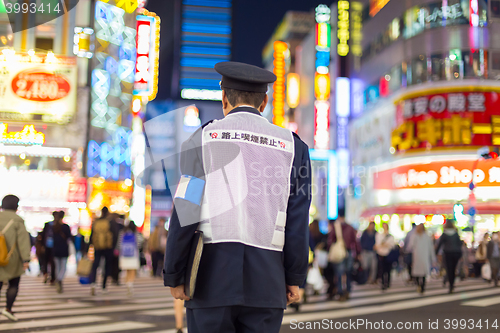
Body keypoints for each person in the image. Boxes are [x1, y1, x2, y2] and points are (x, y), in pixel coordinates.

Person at [163, 61, 311, 333]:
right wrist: (294, 277)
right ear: (264, 102)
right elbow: (298, 220)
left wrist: (174, 272)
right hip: (268, 280)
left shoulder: (203, 138)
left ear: (224, 98)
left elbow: (185, 209)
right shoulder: (294, 147)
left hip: (210, 279)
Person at [0, 195, 31, 321]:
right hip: (11, 258)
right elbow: (23, 241)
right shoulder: (17, 220)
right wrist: (26, 259)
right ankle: (8, 309)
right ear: (15, 206)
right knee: (13, 283)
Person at [328, 216, 360, 301]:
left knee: (339, 273)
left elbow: (330, 240)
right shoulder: (350, 227)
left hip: (340, 252)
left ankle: (341, 291)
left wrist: (330, 250)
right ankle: (348, 290)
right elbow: (355, 241)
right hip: (348, 251)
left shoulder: (335, 227)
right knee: (348, 272)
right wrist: (358, 252)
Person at [89, 207, 117, 295]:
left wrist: (89, 247)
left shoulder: (96, 221)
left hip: (97, 247)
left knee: (95, 265)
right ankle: (104, 286)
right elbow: (115, 235)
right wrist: (113, 247)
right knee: (107, 266)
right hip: (108, 247)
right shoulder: (111, 222)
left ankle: (93, 283)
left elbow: (91, 234)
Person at [117, 221, 144, 295]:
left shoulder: (123, 233)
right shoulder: (136, 233)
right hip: (133, 255)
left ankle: (127, 283)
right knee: (132, 271)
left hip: (124, 255)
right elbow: (139, 244)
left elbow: (119, 244)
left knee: (127, 270)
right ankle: (130, 284)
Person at [435, 221, 462, 293]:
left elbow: (440, 244)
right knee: (453, 269)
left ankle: (451, 284)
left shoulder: (444, 234)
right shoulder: (456, 234)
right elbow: (459, 244)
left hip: (447, 253)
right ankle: (452, 283)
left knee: (449, 269)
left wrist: (436, 253)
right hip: (456, 253)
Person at [408, 224, 436, 294]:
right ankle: (421, 286)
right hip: (421, 256)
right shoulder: (423, 237)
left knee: (419, 273)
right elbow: (431, 249)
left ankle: (420, 286)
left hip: (418, 256)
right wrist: (433, 258)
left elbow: (410, 246)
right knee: (421, 273)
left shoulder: (419, 236)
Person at [52, 211, 73, 293]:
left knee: (57, 267)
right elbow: (69, 238)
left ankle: (58, 279)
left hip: (55, 250)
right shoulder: (65, 227)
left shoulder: (54, 226)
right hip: (63, 249)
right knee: (63, 267)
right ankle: (60, 279)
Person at [374, 223, 395, 290]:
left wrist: (385, 245)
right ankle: (383, 283)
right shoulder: (379, 235)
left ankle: (387, 282)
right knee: (382, 270)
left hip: (388, 255)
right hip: (381, 254)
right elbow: (377, 245)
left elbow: (392, 245)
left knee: (388, 270)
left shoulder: (390, 236)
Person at [41, 211, 57, 284]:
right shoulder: (47, 224)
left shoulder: (58, 225)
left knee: (53, 263)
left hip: (55, 247)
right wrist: (42, 246)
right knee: (45, 261)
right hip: (47, 246)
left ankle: (52, 278)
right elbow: (43, 235)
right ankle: (46, 274)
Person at [109, 214, 124, 286]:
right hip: (117, 248)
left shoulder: (109, 224)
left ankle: (113, 278)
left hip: (110, 248)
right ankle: (116, 279)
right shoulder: (121, 226)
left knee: (111, 264)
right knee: (117, 265)